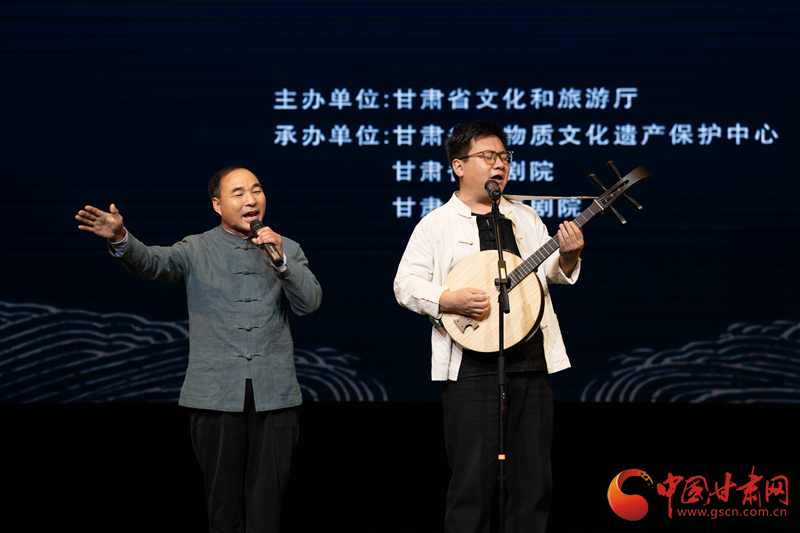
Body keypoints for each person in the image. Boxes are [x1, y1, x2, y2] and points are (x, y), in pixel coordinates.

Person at [75, 165, 322, 533]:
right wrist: (121, 237)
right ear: (217, 204)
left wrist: (282, 261)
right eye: (238, 193)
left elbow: (310, 303)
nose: (251, 200)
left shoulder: (287, 247)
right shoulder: (196, 248)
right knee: (222, 504)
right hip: (215, 395)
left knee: (268, 506)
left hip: (275, 395)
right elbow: (152, 262)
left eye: (256, 190)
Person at [393, 120, 584, 533]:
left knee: (533, 481)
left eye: (504, 157)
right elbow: (405, 285)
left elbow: (550, 272)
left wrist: (568, 256)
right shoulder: (437, 224)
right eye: (488, 156)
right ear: (459, 166)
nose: (499, 165)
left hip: (531, 363)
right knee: (471, 485)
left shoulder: (525, 217)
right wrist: (449, 298)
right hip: (471, 369)